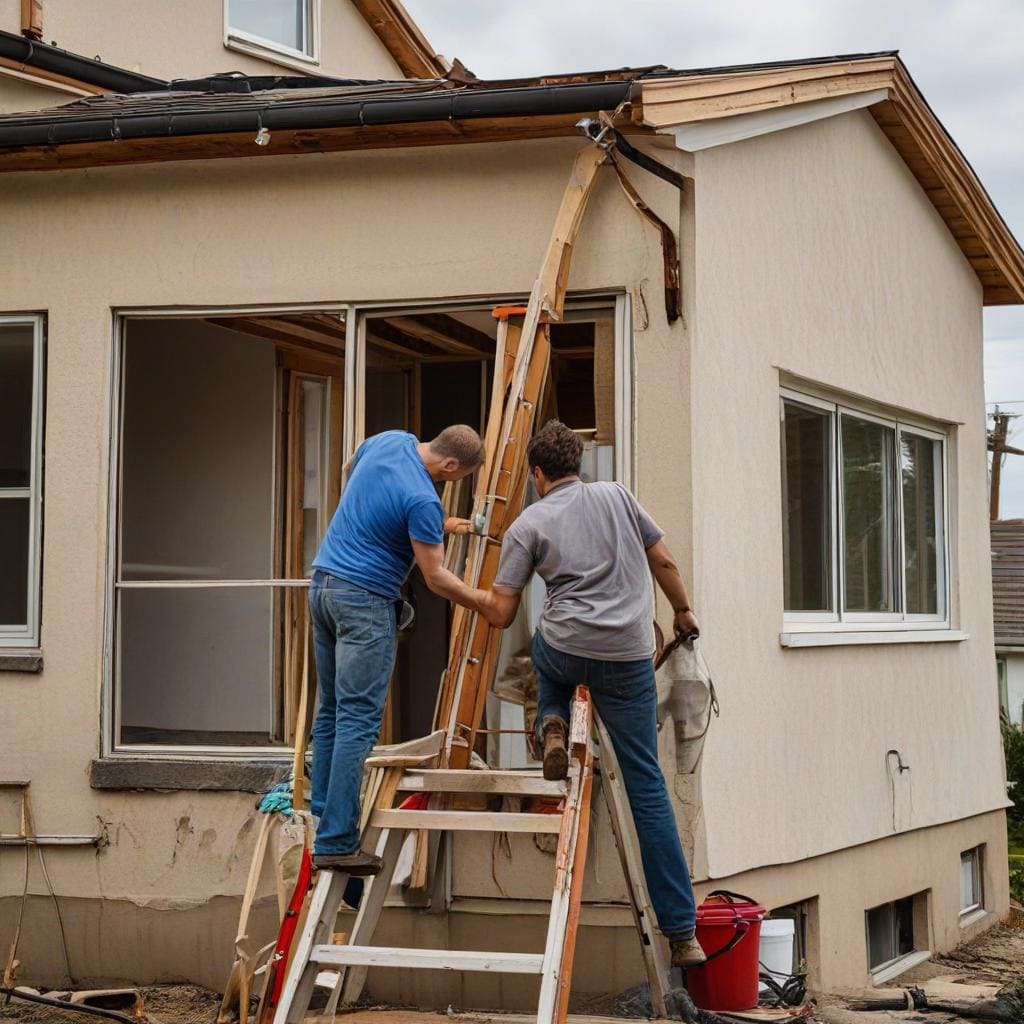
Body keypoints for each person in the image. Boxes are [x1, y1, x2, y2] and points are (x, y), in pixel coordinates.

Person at [477, 420, 707, 968]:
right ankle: (682, 933)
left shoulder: (528, 525)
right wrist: (682, 609)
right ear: (577, 464)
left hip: (566, 649)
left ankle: (550, 724)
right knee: (646, 786)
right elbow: (664, 561)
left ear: (537, 474)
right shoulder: (618, 497)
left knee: (547, 657)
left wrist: (453, 586)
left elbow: (502, 610)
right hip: (626, 659)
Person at [309, 425, 486, 874]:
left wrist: (437, 525)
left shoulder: (391, 441)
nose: (450, 484)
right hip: (364, 602)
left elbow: (357, 475)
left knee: (331, 709)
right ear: (450, 466)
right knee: (357, 720)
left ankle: (324, 811)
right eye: (456, 477)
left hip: (324, 586)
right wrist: (485, 602)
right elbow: (436, 578)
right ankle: (336, 841)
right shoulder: (423, 498)